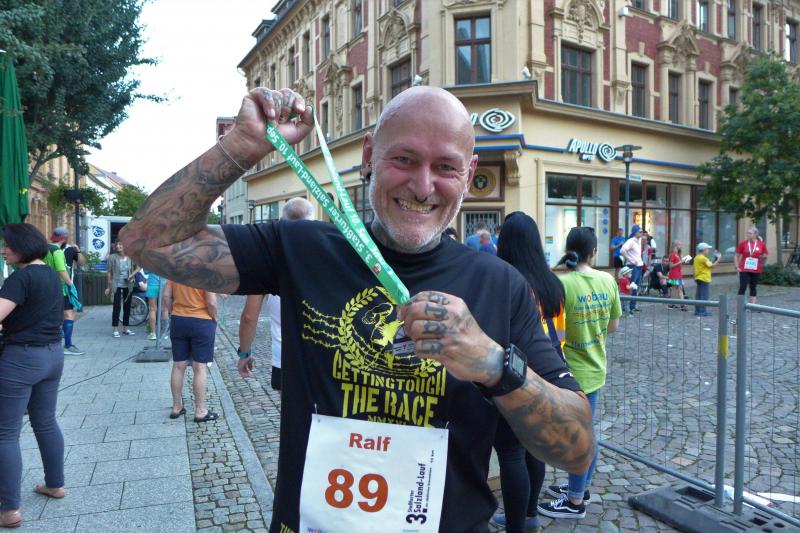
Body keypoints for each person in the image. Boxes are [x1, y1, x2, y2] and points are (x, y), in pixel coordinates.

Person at [120, 85, 593, 531]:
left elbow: (576, 451)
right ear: (369, 157)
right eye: (404, 159)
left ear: (468, 174)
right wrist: (241, 145)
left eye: (446, 167)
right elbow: (146, 243)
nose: (423, 186)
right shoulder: (300, 248)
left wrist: (494, 365)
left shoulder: (501, 285)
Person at [491, 212, 567, 533]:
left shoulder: (502, 281)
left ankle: (515, 525)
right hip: (548, 376)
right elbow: (560, 335)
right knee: (535, 450)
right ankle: (531, 513)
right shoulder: (553, 283)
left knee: (511, 454)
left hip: (514, 378)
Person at [538, 227, 621, 520]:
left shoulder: (562, 284)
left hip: (569, 372)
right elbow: (613, 326)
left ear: (568, 249)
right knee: (584, 432)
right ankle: (580, 486)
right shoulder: (608, 280)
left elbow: (555, 332)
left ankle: (575, 501)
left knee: (579, 437)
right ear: (594, 252)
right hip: (595, 367)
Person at [0, 224, 67, 528]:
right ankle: (55, 484)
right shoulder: (51, 275)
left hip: (22, 359)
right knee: (46, 421)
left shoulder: (20, 278)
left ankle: (9, 509)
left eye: (7, 245)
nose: (3, 250)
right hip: (52, 355)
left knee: (5, 433)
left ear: (22, 246)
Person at [237, 197, 316, 388]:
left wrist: (245, 353)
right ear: (313, 222)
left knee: (288, 406)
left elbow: (249, 317)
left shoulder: (268, 261)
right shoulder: (326, 257)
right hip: (322, 356)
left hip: (284, 357)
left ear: (282, 222)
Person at [163, 280, 219, 422]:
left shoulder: (176, 271)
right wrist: (214, 317)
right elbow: (211, 302)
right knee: (199, 367)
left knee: (178, 365)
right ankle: (200, 411)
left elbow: (166, 296)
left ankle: (176, 407)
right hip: (201, 321)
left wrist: (173, 312)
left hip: (178, 320)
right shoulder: (206, 272)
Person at [43, 227, 84, 356]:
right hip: (61, 288)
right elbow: (61, 270)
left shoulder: (44, 249)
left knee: (51, 315)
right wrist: (70, 285)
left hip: (46, 287)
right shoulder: (58, 251)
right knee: (69, 314)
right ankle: (68, 345)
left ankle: (48, 345)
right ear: (65, 238)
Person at [105, 241, 141, 337]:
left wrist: (132, 275)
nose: (118, 246)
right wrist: (109, 286)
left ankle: (126, 328)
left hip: (128, 284)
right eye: (117, 245)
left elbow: (138, 267)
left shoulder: (130, 257)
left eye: (120, 244)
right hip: (116, 284)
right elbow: (109, 272)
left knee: (127, 306)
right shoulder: (112, 257)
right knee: (116, 306)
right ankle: (115, 329)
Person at [735, 227, 768, 304]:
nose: (748, 234)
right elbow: (736, 255)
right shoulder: (743, 243)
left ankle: (752, 305)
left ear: (755, 234)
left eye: (750, 233)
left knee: (753, 287)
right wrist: (737, 267)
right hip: (744, 268)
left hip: (756, 269)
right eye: (747, 233)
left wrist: (763, 257)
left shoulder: (761, 244)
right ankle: (740, 305)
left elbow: (765, 255)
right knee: (743, 286)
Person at [619, 225, 645, 312]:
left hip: (639, 266)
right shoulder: (631, 241)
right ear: (635, 233)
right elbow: (622, 250)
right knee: (632, 286)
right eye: (640, 232)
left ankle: (632, 306)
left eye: (642, 232)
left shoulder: (639, 240)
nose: (642, 233)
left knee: (636, 287)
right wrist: (630, 259)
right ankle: (628, 307)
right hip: (633, 266)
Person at [693, 243, 720, 317]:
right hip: (704, 278)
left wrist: (694, 277)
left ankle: (697, 310)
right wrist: (718, 258)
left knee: (698, 295)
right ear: (704, 250)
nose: (708, 250)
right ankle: (702, 311)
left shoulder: (696, 257)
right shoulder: (703, 258)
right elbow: (712, 266)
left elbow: (694, 268)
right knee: (704, 296)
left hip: (698, 277)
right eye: (707, 249)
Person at [145, 271, 167, 340]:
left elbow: (146, 272)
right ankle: (164, 334)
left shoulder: (150, 262)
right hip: (164, 284)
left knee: (152, 309)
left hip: (152, 284)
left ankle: (153, 333)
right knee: (164, 309)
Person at [668, 241, 688, 310]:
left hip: (677, 273)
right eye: (680, 245)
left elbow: (678, 265)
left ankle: (671, 304)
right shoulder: (673, 255)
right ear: (676, 246)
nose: (681, 246)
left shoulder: (677, 255)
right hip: (675, 274)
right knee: (679, 288)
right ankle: (682, 304)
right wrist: (680, 262)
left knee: (675, 289)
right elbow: (671, 266)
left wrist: (682, 262)